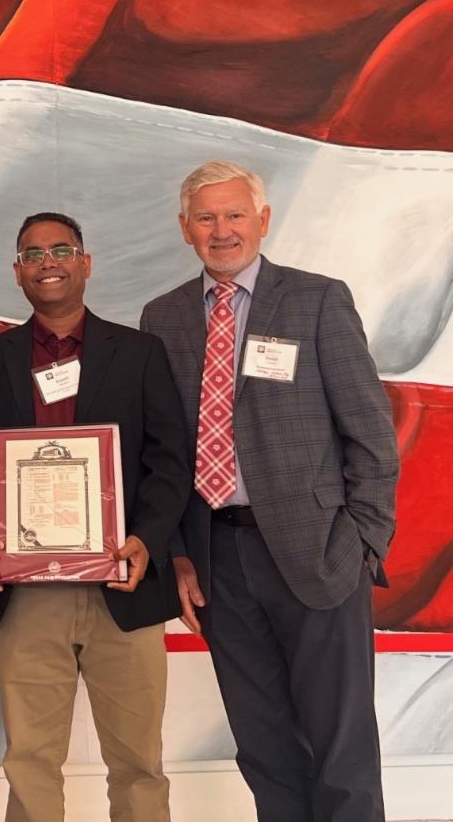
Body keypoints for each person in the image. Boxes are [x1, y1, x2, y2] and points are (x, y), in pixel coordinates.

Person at [141, 160, 399, 822]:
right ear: (184, 228)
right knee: (263, 748)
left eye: (234, 214)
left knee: (341, 750)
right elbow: (160, 451)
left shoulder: (317, 299)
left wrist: (362, 541)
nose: (221, 230)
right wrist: (178, 556)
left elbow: (371, 435)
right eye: (206, 217)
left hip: (319, 554)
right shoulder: (162, 317)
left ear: (263, 220)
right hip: (217, 562)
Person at [0, 212, 189, 822]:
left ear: (85, 262)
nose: (48, 262)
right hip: (27, 591)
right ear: (18, 272)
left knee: (140, 763)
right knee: (31, 760)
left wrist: (147, 538)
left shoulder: (142, 353)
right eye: (33, 253)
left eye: (61, 249)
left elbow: (170, 461)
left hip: (124, 581)